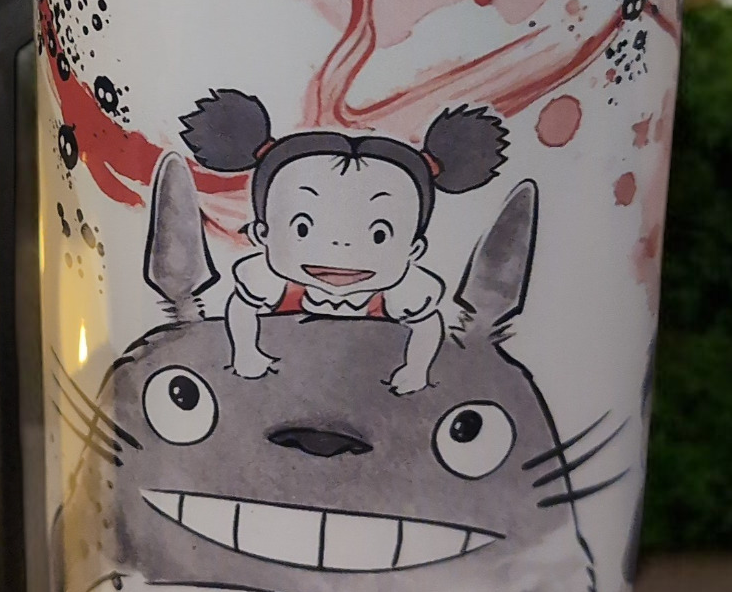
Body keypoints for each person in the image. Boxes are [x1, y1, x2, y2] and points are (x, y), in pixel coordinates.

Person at [179, 88, 508, 395]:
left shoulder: (405, 293)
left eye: (379, 235)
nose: (341, 249)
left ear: (414, 249)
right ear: (262, 234)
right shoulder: (268, 282)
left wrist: (417, 368)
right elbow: (241, 308)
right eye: (303, 228)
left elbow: (426, 326)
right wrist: (246, 352)